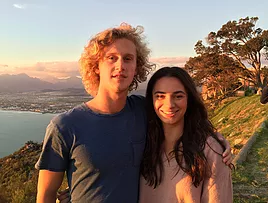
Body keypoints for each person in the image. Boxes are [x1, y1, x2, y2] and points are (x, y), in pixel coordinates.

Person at [36, 23, 232, 203]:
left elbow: (180, 114)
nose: (120, 66)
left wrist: (215, 142)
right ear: (96, 66)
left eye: (128, 58)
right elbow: (45, 195)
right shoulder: (64, 126)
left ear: (136, 67)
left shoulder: (144, 110)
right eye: (111, 58)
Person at [139, 67, 233, 202]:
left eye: (178, 96)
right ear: (151, 100)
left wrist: (216, 143)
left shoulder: (210, 151)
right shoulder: (143, 142)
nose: (169, 104)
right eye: (160, 96)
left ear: (189, 99)